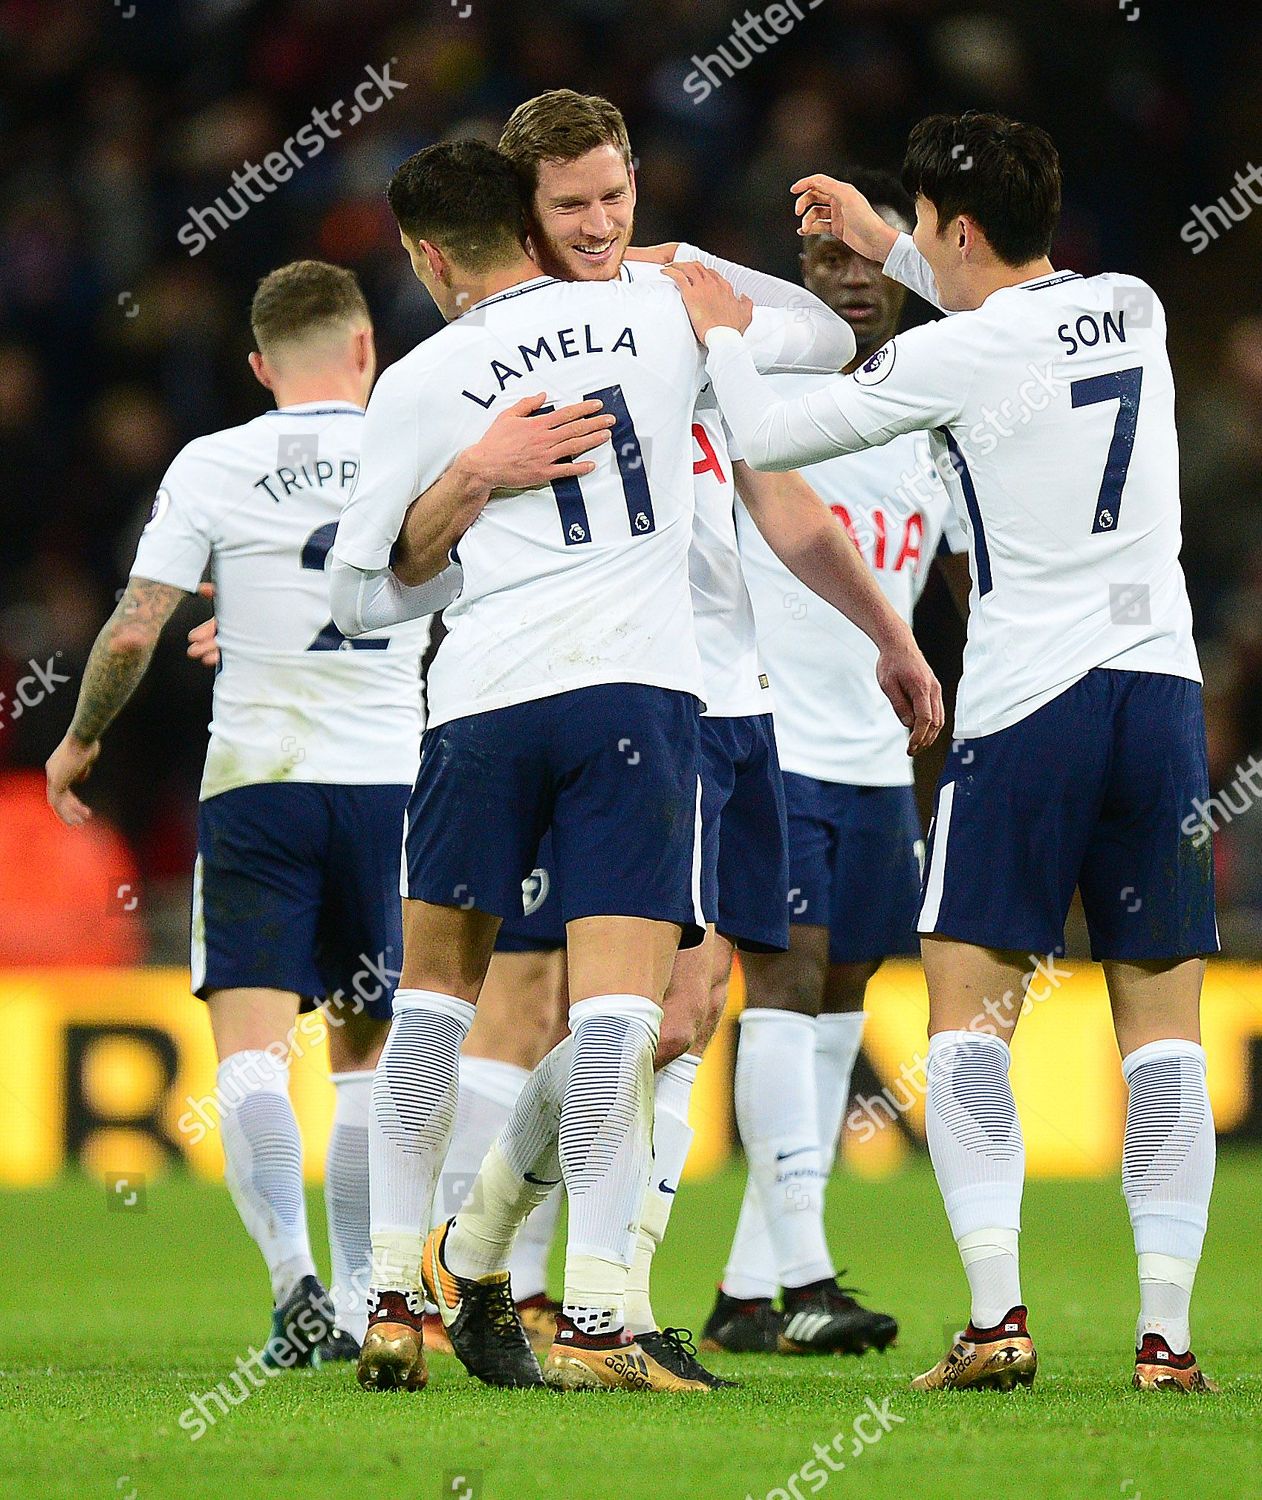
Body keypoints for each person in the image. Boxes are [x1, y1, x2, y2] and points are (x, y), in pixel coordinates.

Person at [665, 110, 1218, 1394]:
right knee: (1163, 1034)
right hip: (1160, 695)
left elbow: (766, 440)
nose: (901, 247)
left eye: (913, 227)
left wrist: (721, 335)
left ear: (953, 229)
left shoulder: (957, 360)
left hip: (1033, 705)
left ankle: (994, 1321)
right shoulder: (1128, 303)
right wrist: (879, 237)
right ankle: (1164, 1340)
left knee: (965, 1017)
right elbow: (1006, 303)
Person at [411, 89, 943, 1385]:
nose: (600, 226)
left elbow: (795, 433)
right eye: (570, 207)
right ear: (523, 219)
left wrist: (889, 633)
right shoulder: (497, 351)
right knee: (582, 1003)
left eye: (615, 198)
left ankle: (531, 1276)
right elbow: (407, 540)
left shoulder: (669, 312)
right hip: (605, 699)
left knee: (674, 1012)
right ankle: (538, 1286)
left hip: (728, 697)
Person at [329, 137, 719, 1395]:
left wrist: (465, 481)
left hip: (484, 705)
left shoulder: (422, 376)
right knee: (616, 1013)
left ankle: (393, 1299)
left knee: (434, 1002)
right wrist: (678, 260)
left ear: (427, 253)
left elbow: (360, 593)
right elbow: (827, 341)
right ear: (535, 224)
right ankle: (598, 1320)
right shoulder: (656, 315)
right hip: (636, 697)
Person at [45, 260, 429, 1366]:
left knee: (254, 1054)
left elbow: (131, 628)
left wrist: (81, 740)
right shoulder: (416, 451)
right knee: (364, 1049)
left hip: (258, 779)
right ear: (365, 350)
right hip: (389, 780)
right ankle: (366, 1304)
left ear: (260, 366)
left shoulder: (212, 461)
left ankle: (292, 1292)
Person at [704, 166, 970, 1358]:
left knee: (841, 996)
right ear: (800, 283)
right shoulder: (759, 401)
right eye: (825, 268)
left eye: (868, 267)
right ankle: (804, 1273)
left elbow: (968, 568)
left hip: (872, 761)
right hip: (771, 742)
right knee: (783, 984)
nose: (848, 285)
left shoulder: (927, 424)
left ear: (900, 281)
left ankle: (752, 1288)